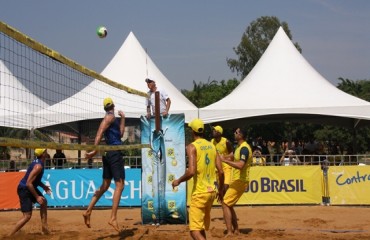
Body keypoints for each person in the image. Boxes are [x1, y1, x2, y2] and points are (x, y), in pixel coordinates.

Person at [172, 118, 224, 240]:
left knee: (194, 231)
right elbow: (221, 171)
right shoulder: (212, 146)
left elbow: (191, 171)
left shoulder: (192, 147)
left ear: (192, 131)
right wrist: (221, 190)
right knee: (200, 228)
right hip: (211, 192)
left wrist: (178, 181)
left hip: (200, 193)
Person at [83, 97, 126, 232]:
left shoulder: (113, 118)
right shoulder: (109, 117)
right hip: (113, 153)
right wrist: (94, 151)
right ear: (113, 105)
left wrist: (123, 118)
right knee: (120, 185)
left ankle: (88, 211)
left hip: (109, 153)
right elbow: (99, 133)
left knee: (105, 186)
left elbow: (120, 134)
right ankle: (113, 217)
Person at [9, 148, 52, 236]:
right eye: (45, 151)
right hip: (24, 189)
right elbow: (29, 183)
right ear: (42, 154)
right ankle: (10, 235)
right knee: (27, 216)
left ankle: (44, 228)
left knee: (44, 202)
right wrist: (37, 197)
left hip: (28, 187)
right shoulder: (38, 166)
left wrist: (43, 186)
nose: (46, 152)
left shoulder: (40, 163)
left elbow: (34, 180)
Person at [219, 128, 252, 237]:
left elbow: (240, 165)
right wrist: (224, 157)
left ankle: (230, 232)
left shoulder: (244, 149)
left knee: (225, 203)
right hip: (237, 180)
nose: (234, 133)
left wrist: (225, 160)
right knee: (229, 204)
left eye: (236, 132)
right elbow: (233, 156)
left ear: (241, 135)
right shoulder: (239, 147)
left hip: (241, 180)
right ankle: (236, 230)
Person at [211, 125, 233, 194]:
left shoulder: (226, 142)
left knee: (225, 186)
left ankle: (223, 201)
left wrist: (224, 157)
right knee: (219, 189)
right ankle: (222, 202)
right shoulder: (212, 141)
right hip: (217, 168)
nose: (213, 132)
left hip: (226, 167)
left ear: (219, 133)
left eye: (215, 131)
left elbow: (232, 155)